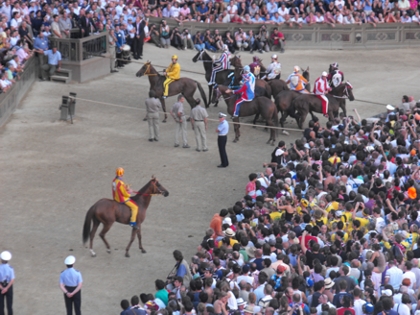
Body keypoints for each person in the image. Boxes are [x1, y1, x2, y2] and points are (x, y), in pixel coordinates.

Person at [0, 251, 14, 315]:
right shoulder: (10, 268)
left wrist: (2, 288)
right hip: (9, 286)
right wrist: (6, 288)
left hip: (1, 286)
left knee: (0, 305)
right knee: (9, 305)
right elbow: (12, 280)